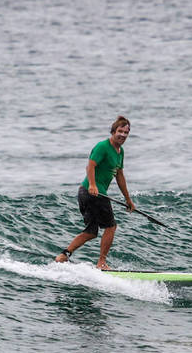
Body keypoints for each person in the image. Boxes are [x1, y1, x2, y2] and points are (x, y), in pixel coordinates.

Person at [54, 116, 136, 270]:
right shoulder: (103, 146)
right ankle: (102, 263)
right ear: (113, 131)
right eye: (120, 131)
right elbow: (90, 166)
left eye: (126, 132)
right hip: (93, 193)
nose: (123, 135)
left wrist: (128, 200)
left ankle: (63, 255)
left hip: (90, 193)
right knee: (111, 227)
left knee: (91, 232)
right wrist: (92, 185)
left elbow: (120, 176)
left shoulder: (120, 151)